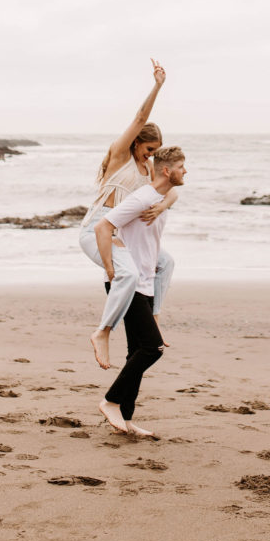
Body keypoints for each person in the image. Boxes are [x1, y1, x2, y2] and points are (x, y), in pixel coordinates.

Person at [79, 60, 176, 370]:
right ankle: (102, 332)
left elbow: (171, 187)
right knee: (129, 275)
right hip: (99, 228)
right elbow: (140, 116)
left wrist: (163, 205)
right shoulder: (120, 155)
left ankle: (155, 316)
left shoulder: (148, 168)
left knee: (165, 262)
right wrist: (157, 86)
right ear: (136, 142)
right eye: (148, 149)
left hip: (121, 234)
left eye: (155, 151)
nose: (151, 155)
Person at [95, 146, 186, 436]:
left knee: (136, 351)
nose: (186, 171)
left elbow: (172, 194)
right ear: (166, 171)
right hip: (129, 284)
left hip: (145, 283)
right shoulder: (142, 198)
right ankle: (111, 401)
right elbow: (103, 226)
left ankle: (126, 419)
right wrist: (111, 270)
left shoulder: (158, 197)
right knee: (152, 348)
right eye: (182, 166)